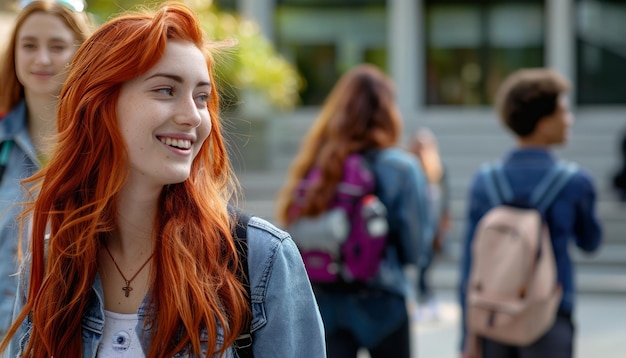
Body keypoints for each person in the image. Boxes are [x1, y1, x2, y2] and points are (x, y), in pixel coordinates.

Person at [0, 2, 325, 357]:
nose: (193, 117)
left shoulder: (259, 258)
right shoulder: (50, 261)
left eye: (201, 97)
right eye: (166, 90)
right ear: (99, 104)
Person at [276, 64, 433, 358]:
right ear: (388, 112)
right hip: (382, 298)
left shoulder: (317, 164)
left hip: (325, 299)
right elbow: (415, 251)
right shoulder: (401, 167)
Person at [458, 68, 602, 358]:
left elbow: (469, 263)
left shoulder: (485, 181)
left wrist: (467, 334)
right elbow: (591, 243)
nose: (569, 120)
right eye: (563, 111)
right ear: (543, 122)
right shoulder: (575, 182)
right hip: (548, 315)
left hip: (492, 314)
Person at [0, 0, 92, 339]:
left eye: (56, 46)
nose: (41, 59)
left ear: (81, 52)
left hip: (76, 338)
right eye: (29, 46)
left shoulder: (105, 150)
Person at [408, 127, 451, 323]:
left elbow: (445, 203)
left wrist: (441, 229)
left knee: (426, 268)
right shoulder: (408, 170)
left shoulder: (438, 171)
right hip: (415, 228)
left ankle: (427, 301)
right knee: (417, 269)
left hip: (431, 228)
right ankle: (419, 301)